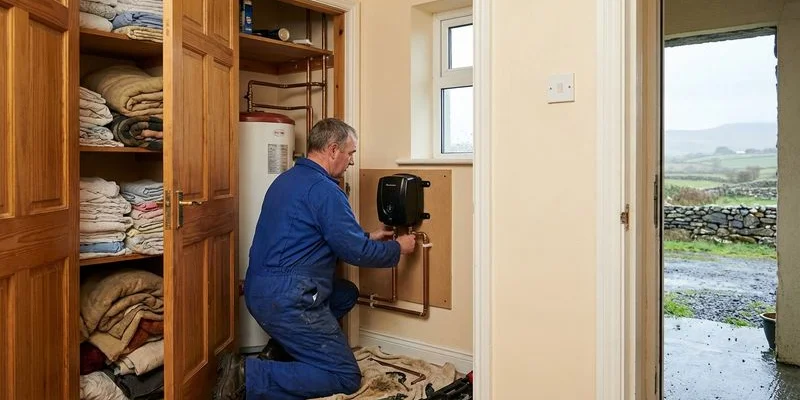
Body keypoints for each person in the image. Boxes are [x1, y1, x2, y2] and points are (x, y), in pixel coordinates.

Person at [213, 118, 417, 400]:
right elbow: (354, 253)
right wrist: (399, 248)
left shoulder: (286, 180)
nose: (351, 162)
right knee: (345, 376)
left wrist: (368, 236)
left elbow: (311, 234)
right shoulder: (325, 190)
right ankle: (248, 375)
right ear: (333, 150)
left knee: (345, 293)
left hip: (260, 291)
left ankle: (280, 353)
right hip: (289, 300)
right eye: (350, 153)